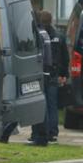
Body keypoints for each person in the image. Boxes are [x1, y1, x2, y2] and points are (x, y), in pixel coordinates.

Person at [39, 11, 69, 142]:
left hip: (40, 73)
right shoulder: (59, 36)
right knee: (53, 105)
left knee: (41, 103)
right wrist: (64, 74)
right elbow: (65, 57)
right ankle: (53, 132)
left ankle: (42, 131)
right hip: (54, 74)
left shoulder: (38, 35)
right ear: (51, 20)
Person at [29, 16, 54, 146]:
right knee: (43, 104)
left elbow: (37, 54)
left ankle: (41, 136)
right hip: (45, 71)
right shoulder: (45, 33)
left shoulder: (38, 34)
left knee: (39, 105)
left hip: (39, 71)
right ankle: (41, 135)